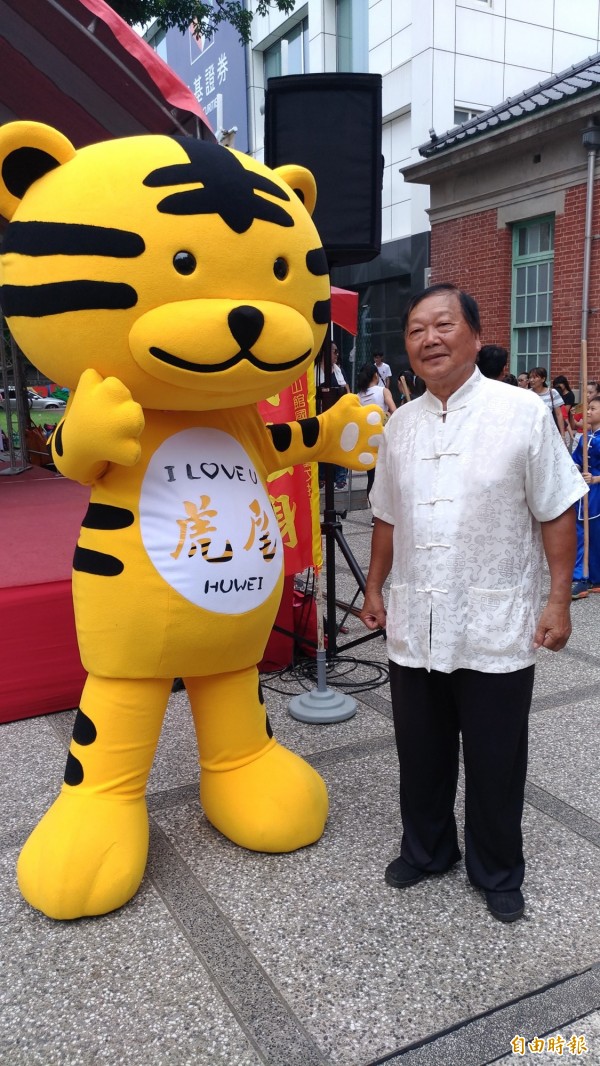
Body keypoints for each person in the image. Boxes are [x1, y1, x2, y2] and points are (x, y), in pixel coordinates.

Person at [360, 282, 587, 924]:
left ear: (476, 337)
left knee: (495, 755)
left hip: (492, 618)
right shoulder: (398, 426)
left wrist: (558, 601)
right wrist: (374, 589)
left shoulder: (521, 412)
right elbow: (385, 517)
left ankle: (497, 868)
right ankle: (429, 850)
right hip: (415, 617)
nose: (429, 338)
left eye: (443, 325)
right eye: (415, 330)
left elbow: (556, 509)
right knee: (421, 749)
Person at [571, 395, 600, 599]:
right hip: (584, 491)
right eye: (587, 408)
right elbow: (576, 460)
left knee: (596, 534)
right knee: (581, 533)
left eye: (593, 409)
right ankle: (582, 577)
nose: (587, 412)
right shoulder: (583, 437)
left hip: (597, 491)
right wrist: (576, 467)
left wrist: (597, 478)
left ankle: (594, 577)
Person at [356, 362, 396, 503]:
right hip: (383, 438)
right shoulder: (383, 391)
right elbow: (394, 411)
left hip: (367, 440)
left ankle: (374, 511)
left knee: (371, 476)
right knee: (385, 474)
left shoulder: (358, 396)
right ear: (375, 375)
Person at [316, 342, 350, 490]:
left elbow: (347, 392)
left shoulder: (339, 371)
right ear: (325, 353)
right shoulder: (314, 372)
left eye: (337, 352)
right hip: (321, 417)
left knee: (340, 446)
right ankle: (322, 476)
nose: (337, 355)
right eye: (334, 351)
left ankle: (341, 477)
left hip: (339, 417)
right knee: (322, 447)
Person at [528, 366, 566, 438]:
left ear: (543, 379)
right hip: (531, 432)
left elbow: (559, 415)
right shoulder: (527, 394)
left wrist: (562, 435)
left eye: (535, 377)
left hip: (548, 432)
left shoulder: (552, 393)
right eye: (530, 378)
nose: (531, 380)